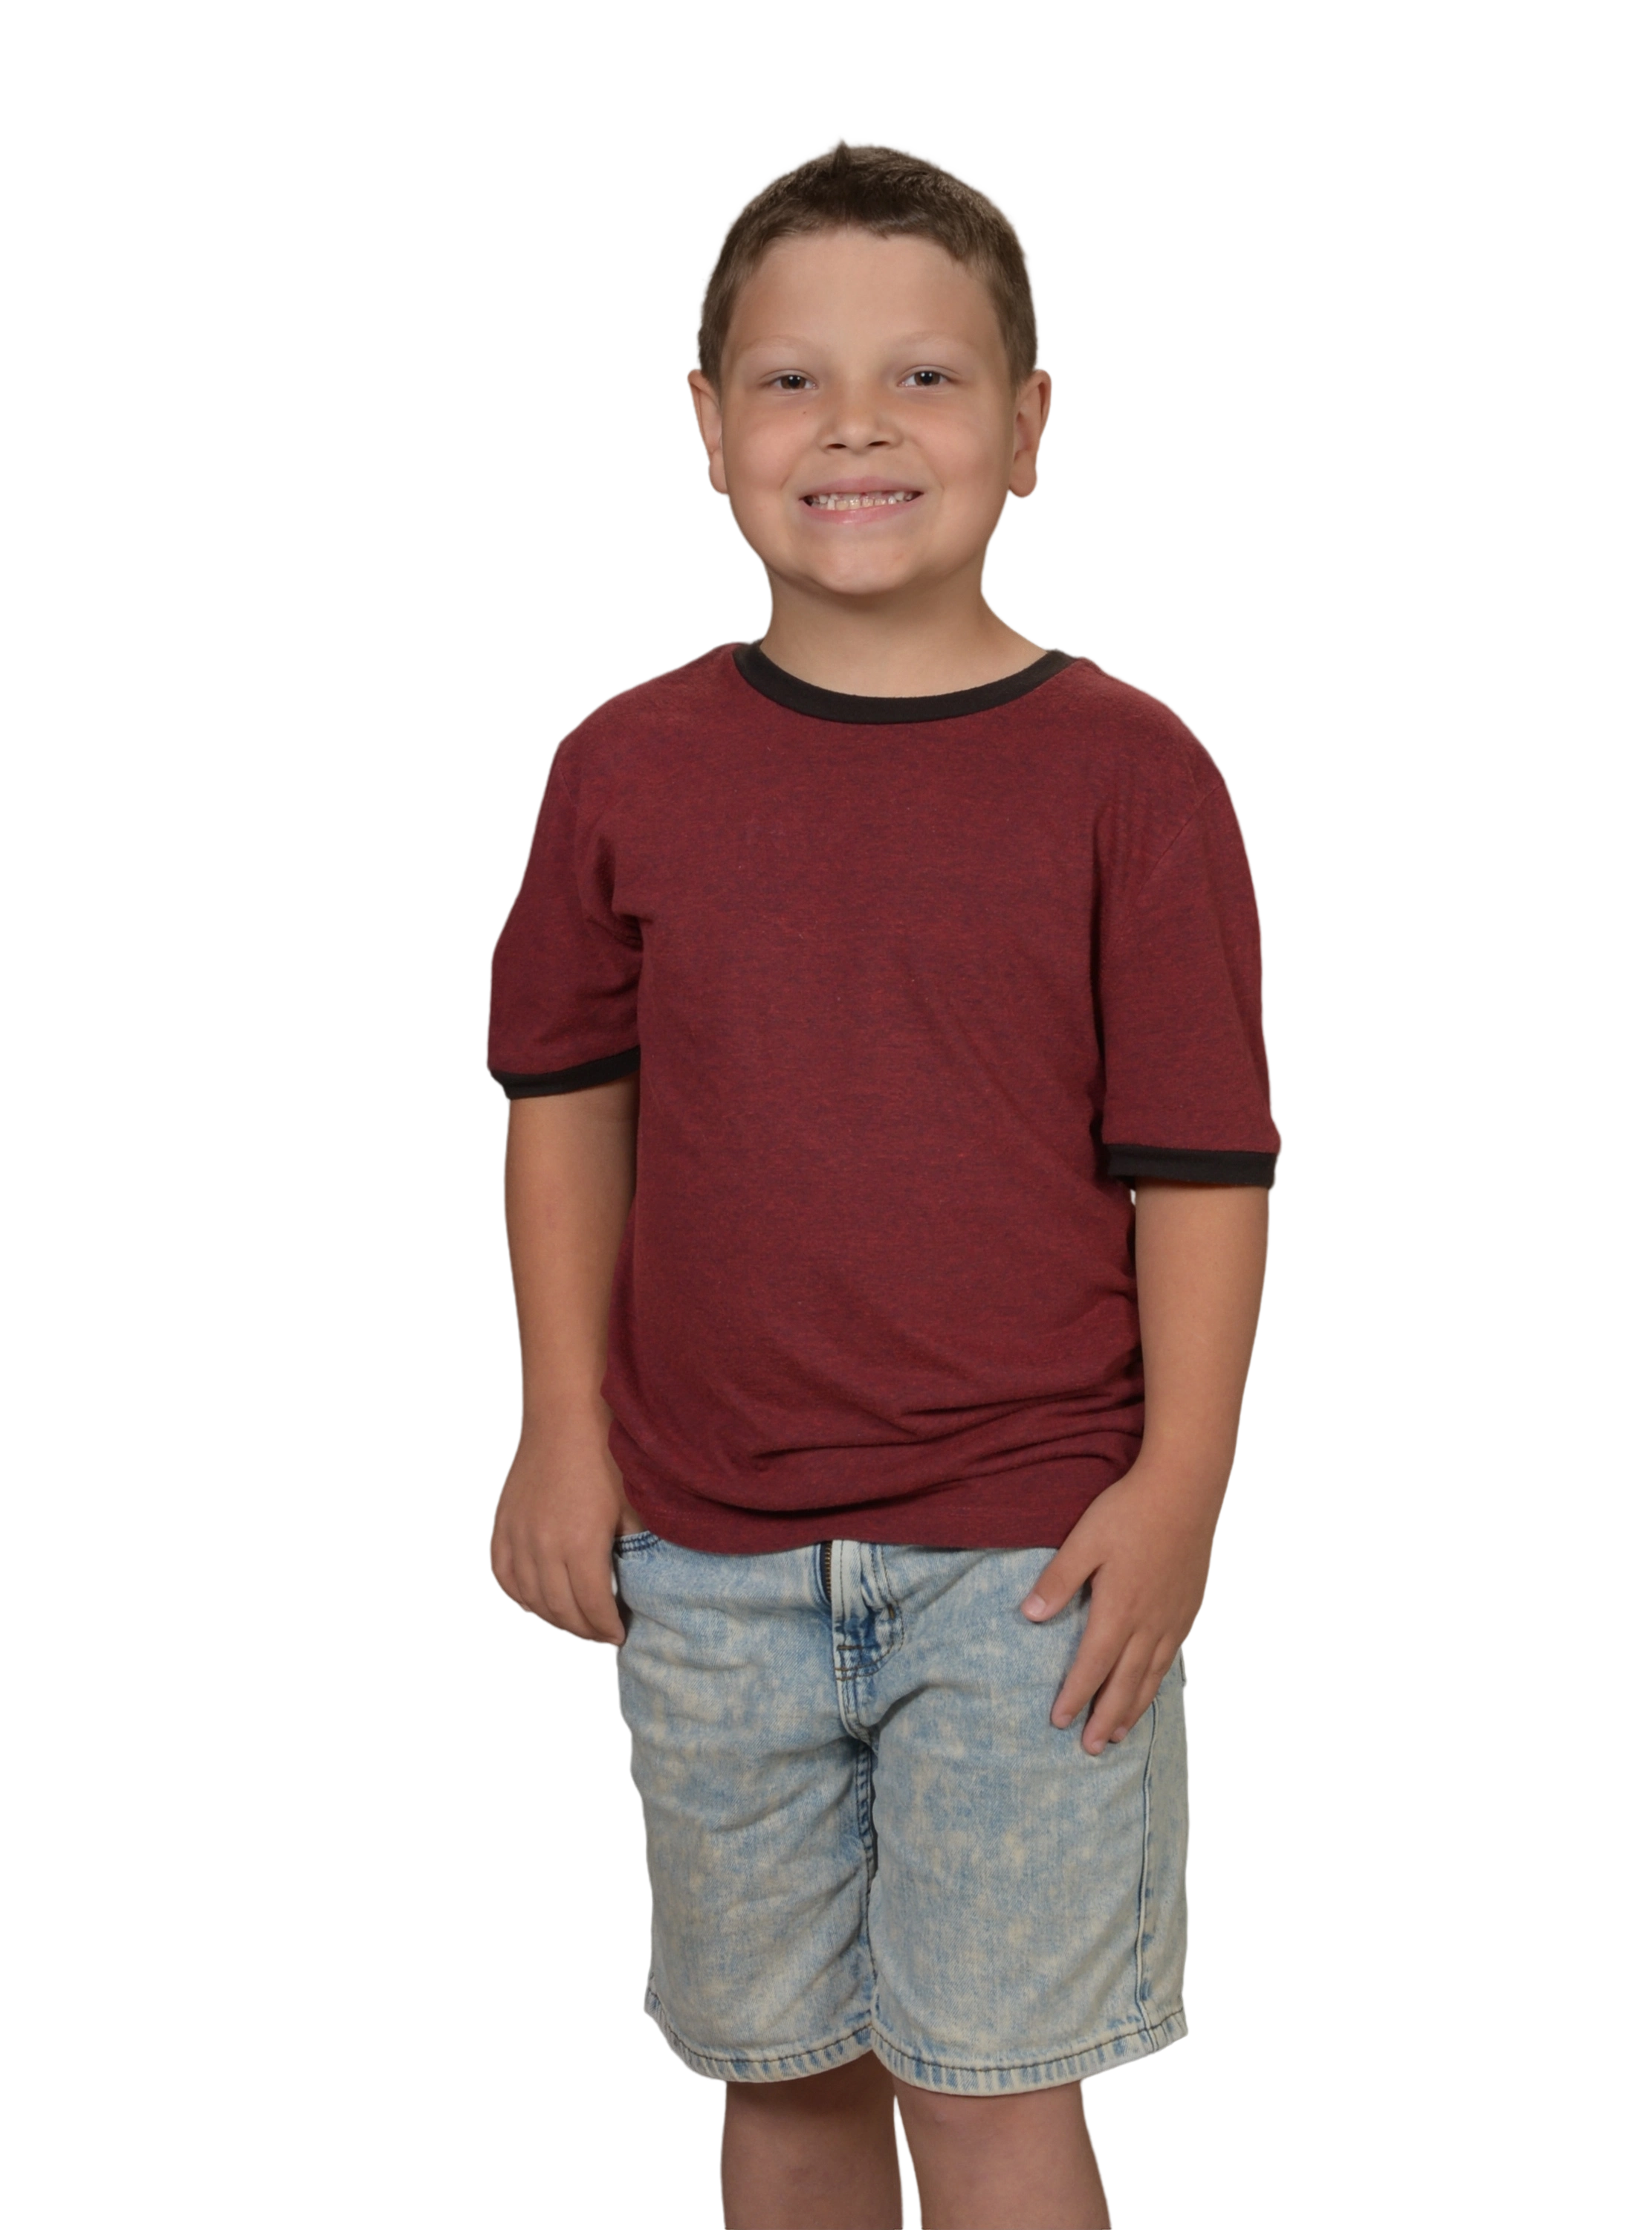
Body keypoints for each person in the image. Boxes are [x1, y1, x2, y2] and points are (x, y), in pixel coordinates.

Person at [482, 132, 1280, 2230]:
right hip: (707, 1562)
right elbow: (563, 1099)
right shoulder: (623, 769)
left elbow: (1205, 1167)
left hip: (1031, 1570)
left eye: (923, 376)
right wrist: (561, 1425)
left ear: (1029, 426)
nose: (854, 424)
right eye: (791, 379)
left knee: (998, 2100)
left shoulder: (1136, 779)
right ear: (708, 428)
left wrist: (1182, 1492)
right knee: (784, 2089)